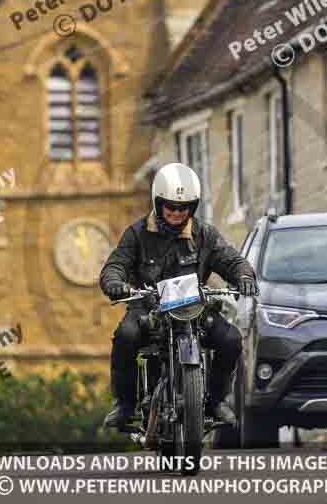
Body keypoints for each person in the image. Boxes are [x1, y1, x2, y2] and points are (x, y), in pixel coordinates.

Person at [100, 162, 259, 429]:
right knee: (125, 337)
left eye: (183, 207)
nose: (176, 212)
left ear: (192, 207)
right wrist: (114, 282)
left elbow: (231, 260)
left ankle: (217, 401)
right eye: (170, 206)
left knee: (231, 338)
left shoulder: (204, 234)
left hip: (194, 308)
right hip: (147, 308)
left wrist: (244, 277)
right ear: (158, 202)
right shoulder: (136, 234)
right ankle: (124, 404)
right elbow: (115, 265)